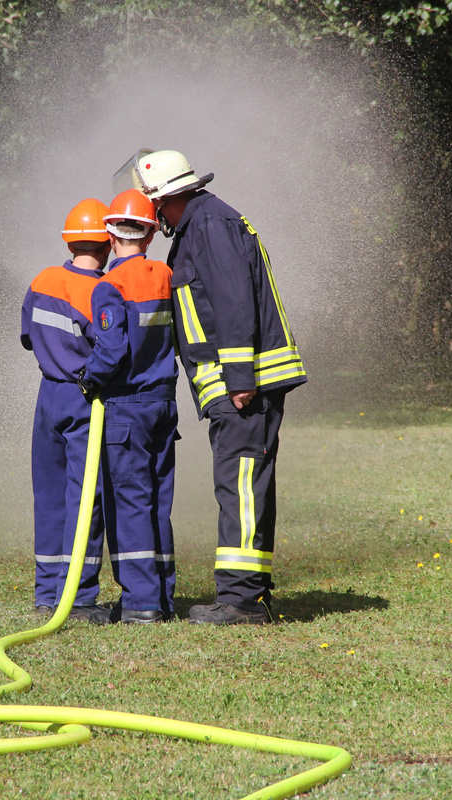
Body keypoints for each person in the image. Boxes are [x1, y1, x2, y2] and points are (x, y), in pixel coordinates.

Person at [112, 149, 307, 625]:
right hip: (233, 384)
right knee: (244, 485)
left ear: (161, 199)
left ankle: (240, 601)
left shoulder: (209, 225)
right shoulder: (203, 223)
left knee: (240, 486)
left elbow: (234, 302)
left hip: (241, 384)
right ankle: (248, 593)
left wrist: (239, 379)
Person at [77, 189, 179, 624]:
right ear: (151, 235)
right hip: (163, 404)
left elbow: (112, 348)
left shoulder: (110, 286)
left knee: (131, 502)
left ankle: (141, 602)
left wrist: (89, 378)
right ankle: (164, 597)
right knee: (158, 502)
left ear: (111, 235)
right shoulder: (165, 275)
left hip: (126, 407)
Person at [20, 198, 113, 621]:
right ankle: (78, 598)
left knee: (49, 496)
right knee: (84, 498)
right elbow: (111, 352)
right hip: (84, 398)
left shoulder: (42, 280)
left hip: (47, 398)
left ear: (69, 241)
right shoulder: (101, 292)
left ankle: (46, 593)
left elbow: (28, 336)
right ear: (107, 245)